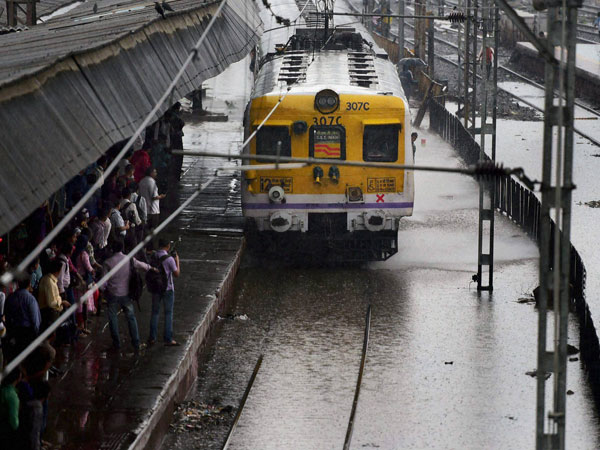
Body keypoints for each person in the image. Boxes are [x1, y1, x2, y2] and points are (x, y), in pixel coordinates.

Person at [102, 240, 154, 352]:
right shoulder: (129, 259)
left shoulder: (107, 262)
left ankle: (117, 344)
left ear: (112, 249)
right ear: (122, 248)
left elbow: (103, 283)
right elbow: (143, 266)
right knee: (131, 318)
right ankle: (136, 343)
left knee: (113, 319)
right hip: (126, 294)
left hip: (112, 294)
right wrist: (152, 268)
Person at [148, 239, 180, 347]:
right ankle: (168, 338)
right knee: (168, 314)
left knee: (155, 313)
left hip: (156, 288)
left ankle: (152, 338)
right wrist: (177, 261)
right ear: (167, 246)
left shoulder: (153, 256)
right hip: (168, 289)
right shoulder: (170, 259)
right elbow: (176, 274)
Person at [4, 277, 41, 362]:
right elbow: (35, 320)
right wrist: (36, 334)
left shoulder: (11, 297)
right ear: (29, 284)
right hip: (27, 333)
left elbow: (7, 316)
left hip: (14, 332)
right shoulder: (30, 299)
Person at [37, 260, 70, 333]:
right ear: (57, 271)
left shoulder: (48, 279)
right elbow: (51, 303)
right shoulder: (49, 282)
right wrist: (62, 302)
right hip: (49, 312)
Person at [138, 167, 166, 245]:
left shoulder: (142, 181)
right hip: (153, 210)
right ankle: (151, 246)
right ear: (151, 173)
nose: (156, 174)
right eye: (155, 172)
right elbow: (154, 196)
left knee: (145, 229)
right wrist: (161, 196)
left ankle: (144, 245)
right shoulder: (152, 182)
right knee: (153, 230)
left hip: (143, 208)